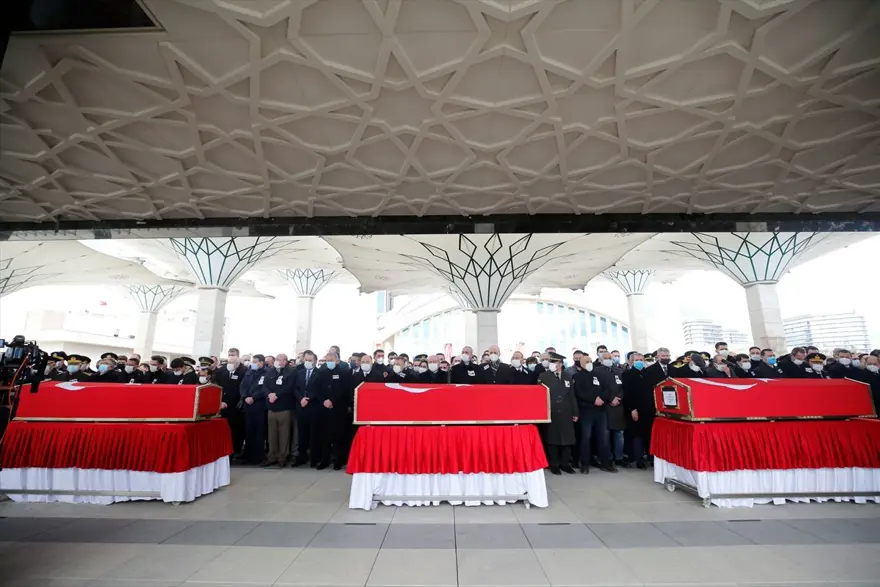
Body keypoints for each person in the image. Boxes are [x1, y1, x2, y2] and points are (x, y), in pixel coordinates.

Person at [572, 352, 615, 474]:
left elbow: (607, 389)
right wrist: (593, 400)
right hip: (586, 411)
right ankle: (585, 464)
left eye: (590, 361)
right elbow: (579, 393)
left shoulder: (599, 375)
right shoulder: (578, 376)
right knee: (586, 438)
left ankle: (605, 463)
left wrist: (602, 398)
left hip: (601, 410)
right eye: (586, 362)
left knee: (604, 437)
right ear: (581, 364)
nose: (589, 364)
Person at [537, 352, 577, 475]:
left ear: (560, 364)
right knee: (552, 439)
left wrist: (575, 412)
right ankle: (553, 464)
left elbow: (572, 395)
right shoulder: (544, 376)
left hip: (566, 411)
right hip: (551, 411)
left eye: (554, 362)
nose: (552, 364)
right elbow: (540, 396)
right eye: (551, 362)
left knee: (567, 439)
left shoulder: (567, 376)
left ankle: (565, 464)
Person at [310, 351, 351, 470]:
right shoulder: (321, 373)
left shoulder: (344, 373)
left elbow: (344, 390)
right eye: (327, 360)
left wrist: (333, 401)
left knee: (338, 435)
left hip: (338, 408)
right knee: (324, 436)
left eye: (331, 360)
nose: (329, 363)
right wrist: (324, 400)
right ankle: (324, 460)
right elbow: (316, 389)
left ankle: (338, 460)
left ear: (337, 361)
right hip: (324, 408)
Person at [263, 353, 296, 468]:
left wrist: (277, 394)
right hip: (271, 407)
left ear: (285, 361)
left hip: (284, 407)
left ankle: (282, 457)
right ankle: (272, 456)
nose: (279, 362)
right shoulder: (270, 371)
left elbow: (290, 387)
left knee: (284, 434)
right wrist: (269, 394)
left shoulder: (291, 372)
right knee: (272, 434)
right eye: (277, 359)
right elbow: (265, 385)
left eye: (281, 360)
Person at [622, 353, 653, 469]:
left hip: (648, 409)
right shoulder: (628, 374)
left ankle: (651, 457)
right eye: (636, 360)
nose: (639, 362)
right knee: (637, 436)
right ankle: (639, 460)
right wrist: (632, 409)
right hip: (635, 409)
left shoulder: (648, 373)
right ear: (631, 362)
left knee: (649, 435)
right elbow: (628, 393)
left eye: (641, 359)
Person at [214, 347, 247, 457]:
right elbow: (217, 385)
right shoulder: (222, 370)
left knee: (235, 429)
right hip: (222, 404)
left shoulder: (243, 370)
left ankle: (234, 450)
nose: (231, 357)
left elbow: (242, 387)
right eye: (229, 355)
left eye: (233, 355)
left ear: (237, 356)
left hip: (235, 404)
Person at [596, 350, 626, 467]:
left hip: (618, 406)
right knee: (605, 434)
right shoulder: (597, 372)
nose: (609, 359)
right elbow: (599, 389)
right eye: (606, 358)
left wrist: (619, 397)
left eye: (610, 357)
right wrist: (610, 399)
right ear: (601, 360)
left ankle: (619, 457)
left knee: (619, 433)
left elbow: (624, 386)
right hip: (605, 407)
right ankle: (607, 458)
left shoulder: (618, 371)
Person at [241, 354, 269, 465]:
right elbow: (242, 386)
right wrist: (245, 397)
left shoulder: (266, 373)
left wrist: (254, 397)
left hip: (259, 405)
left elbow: (264, 388)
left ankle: (258, 456)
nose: (253, 363)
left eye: (255, 361)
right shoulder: (249, 372)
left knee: (259, 432)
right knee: (249, 431)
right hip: (248, 406)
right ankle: (248, 455)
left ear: (261, 363)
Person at [293, 350, 319, 467]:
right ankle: (301, 456)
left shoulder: (319, 373)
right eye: (306, 360)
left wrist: (308, 398)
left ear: (315, 361)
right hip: (301, 407)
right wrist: (300, 399)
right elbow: (295, 388)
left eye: (310, 360)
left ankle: (314, 458)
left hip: (313, 407)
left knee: (314, 434)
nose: (308, 362)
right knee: (302, 434)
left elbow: (319, 389)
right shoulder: (299, 373)